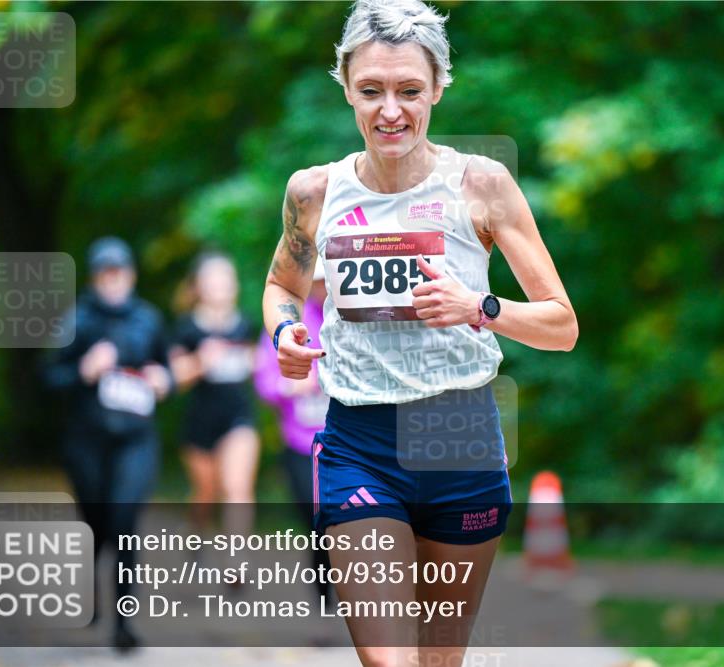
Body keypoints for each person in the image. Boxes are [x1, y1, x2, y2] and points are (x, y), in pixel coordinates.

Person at [262, 1, 578, 664]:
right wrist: (286, 332)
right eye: (371, 90)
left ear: (437, 87)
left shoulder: (481, 185)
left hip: (459, 437)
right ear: (346, 87)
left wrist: (477, 306)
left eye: (409, 90)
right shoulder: (314, 192)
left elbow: (561, 324)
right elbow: (283, 287)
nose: (390, 111)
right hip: (360, 441)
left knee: (439, 658)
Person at [43, 236, 171, 651]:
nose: (113, 281)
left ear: (131, 276)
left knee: (124, 522)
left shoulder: (149, 319)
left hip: (136, 440)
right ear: (94, 279)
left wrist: (163, 380)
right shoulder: (76, 321)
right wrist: (83, 370)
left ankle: (123, 623)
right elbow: (48, 377)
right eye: (105, 274)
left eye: (119, 273)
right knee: (97, 523)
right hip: (87, 442)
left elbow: (168, 369)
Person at [254, 259, 332, 606]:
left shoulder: (354, 318)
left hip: (345, 440)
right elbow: (264, 383)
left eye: (327, 281)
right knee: (316, 521)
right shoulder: (289, 322)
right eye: (317, 282)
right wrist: (294, 386)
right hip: (301, 443)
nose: (323, 288)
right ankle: (323, 594)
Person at [170, 252, 260, 543]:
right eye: (213, 277)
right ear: (198, 286)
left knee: (237, 487)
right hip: (200, 422)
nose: (221, 283)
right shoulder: (186, 328)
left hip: (238, 417)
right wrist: (200, 362)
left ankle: (236, 557)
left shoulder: (246, 325)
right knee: (206, 493)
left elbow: (260, 367)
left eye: (226, 277)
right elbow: (174, 379)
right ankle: (194, 532)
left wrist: (257, 364)